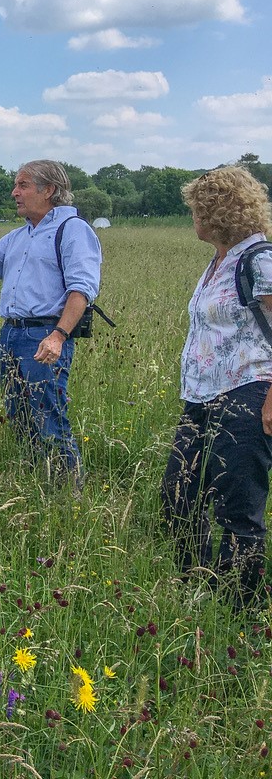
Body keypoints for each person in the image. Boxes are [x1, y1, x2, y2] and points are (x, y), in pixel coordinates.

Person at [0, 160, 101, 486]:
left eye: (23, 185)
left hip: (44, 334)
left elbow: (81, 290)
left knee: (48, 415)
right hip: (10, 334)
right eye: (16, 185)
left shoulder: (74, 230)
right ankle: (36, 482)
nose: (14, 192)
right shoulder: (17, 236)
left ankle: (69, 493)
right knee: (19, 414)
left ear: (49, 190)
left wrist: (58, 336)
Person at [160, 165, 272, 609]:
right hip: (204, 397)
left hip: (249, 391)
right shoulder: (221, 259)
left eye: (197, 209)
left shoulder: (259, 258)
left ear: (216, 212)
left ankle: (243, 612)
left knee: (237, 508)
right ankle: (200, 586)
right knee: (177, 497)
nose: (193, 217)